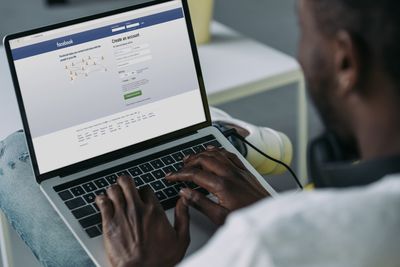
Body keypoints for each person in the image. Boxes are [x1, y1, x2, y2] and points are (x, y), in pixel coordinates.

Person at [1, 0, 400, 266]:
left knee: (15, 156)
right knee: (205, 135)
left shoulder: (267, 243)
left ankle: (221, 130)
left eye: (303, 28)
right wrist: (266, 204)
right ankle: (223, 132)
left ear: (345, 61)